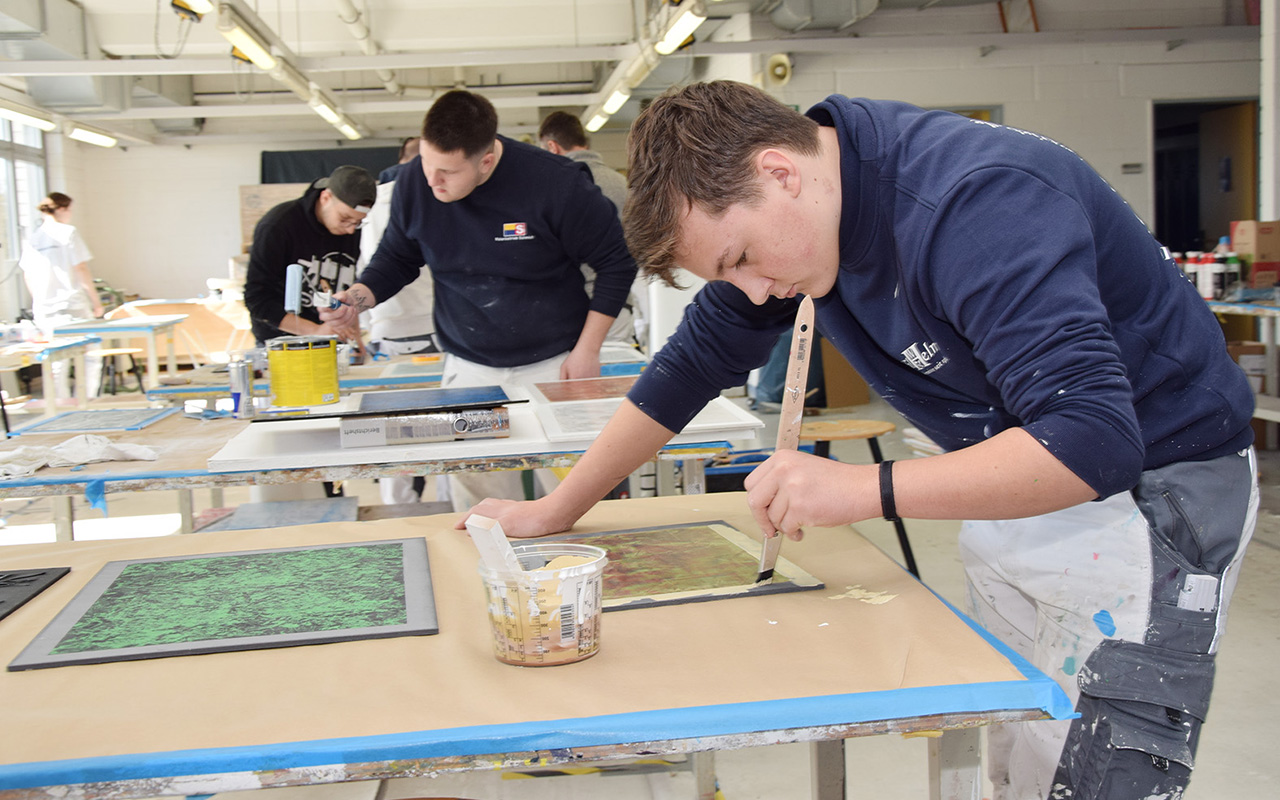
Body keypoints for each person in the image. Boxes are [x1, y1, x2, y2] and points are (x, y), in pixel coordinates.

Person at [460, 81, 1258, 800]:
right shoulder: (806, 214)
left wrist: (858, 492)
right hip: (1016, 470)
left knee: (1092, 774)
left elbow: (1092, 442)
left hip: (1150, 493)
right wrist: (559, 508)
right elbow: (686, 368)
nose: (755, 291)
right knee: (1021, 752)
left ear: (780, 171)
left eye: (741, 258)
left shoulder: (976, 206)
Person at [322, 89, 638, 512]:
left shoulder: (557, 184)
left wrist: (588, 350)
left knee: (575, 493)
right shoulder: (417, 182)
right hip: (470, 368)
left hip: (553, 364)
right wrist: (355, 300)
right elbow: (397, 259)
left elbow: (617, 263)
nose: (433, 182)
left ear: (486, 160)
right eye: (429, 166)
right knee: (479, 502)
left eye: (448, 173)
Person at [360, 136, 442, 506]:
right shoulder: (433, 195)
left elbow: (367, 267)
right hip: (431, 329)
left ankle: (400, 513)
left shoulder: (373, 203)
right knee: (442, 432)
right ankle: (450, 514)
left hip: (385, 332)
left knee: (391, 435)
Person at [538, 110, 646, 347]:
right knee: (615, 379)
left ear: (553, 147)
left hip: (572, 309)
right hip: (619, 307)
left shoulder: (554, 189)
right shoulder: (623, 184)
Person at [243, 165, 376, 347]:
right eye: (345, 219)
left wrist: (356, 338)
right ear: (326, 197)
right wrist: (314, 331)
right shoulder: (278, 226)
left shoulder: (349, 230)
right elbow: (256, 298)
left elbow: (345, 293)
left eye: (358, 222)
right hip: (284, 343)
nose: (351, 229)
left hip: (330, 340)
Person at [18, 192, 105, 399]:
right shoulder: (68, 232)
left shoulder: (33, 238)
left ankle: (60, 405)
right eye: (70, 210)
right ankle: (87, 401)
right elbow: (81, 268)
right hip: (73, 304)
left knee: (57, 360)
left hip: (45, 309)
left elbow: (28, 275)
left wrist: (39, 302)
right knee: (90, 356)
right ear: (62, 209)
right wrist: (96, 302)